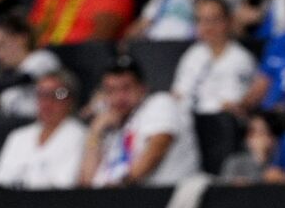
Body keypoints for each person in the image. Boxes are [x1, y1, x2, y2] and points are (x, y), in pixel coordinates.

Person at [80, 57, 201, 187]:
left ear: (142, 88)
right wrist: (95, 131)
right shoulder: (109, 122)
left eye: (126, 88)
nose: (118, 97)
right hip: (118, 199)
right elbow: (87, 181)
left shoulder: (160, 103)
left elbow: (156, 150)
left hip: (160, 197)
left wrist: (115, 190)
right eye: (111, 90)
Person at [0, 70, 88, 189]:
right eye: (42, 95)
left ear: (71, 99)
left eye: (57, 95)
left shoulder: (80, 135)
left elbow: (66, 182)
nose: (47, 103)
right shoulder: (18, 136)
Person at [169, 0, 257, 117]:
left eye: (214, 20)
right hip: (187, 120)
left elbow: (231, 105)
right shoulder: (193, 53)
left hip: (220, 123)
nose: (207, 27)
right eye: (202, 20)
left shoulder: (241, 59)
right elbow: (178, 94)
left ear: (228, 21)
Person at [217, 113, 278, 184]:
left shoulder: (279, 162)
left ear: (272, 138)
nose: (256, 137)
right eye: (251, 132)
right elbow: (224, 189)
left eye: (261, 132)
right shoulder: (234, 162)